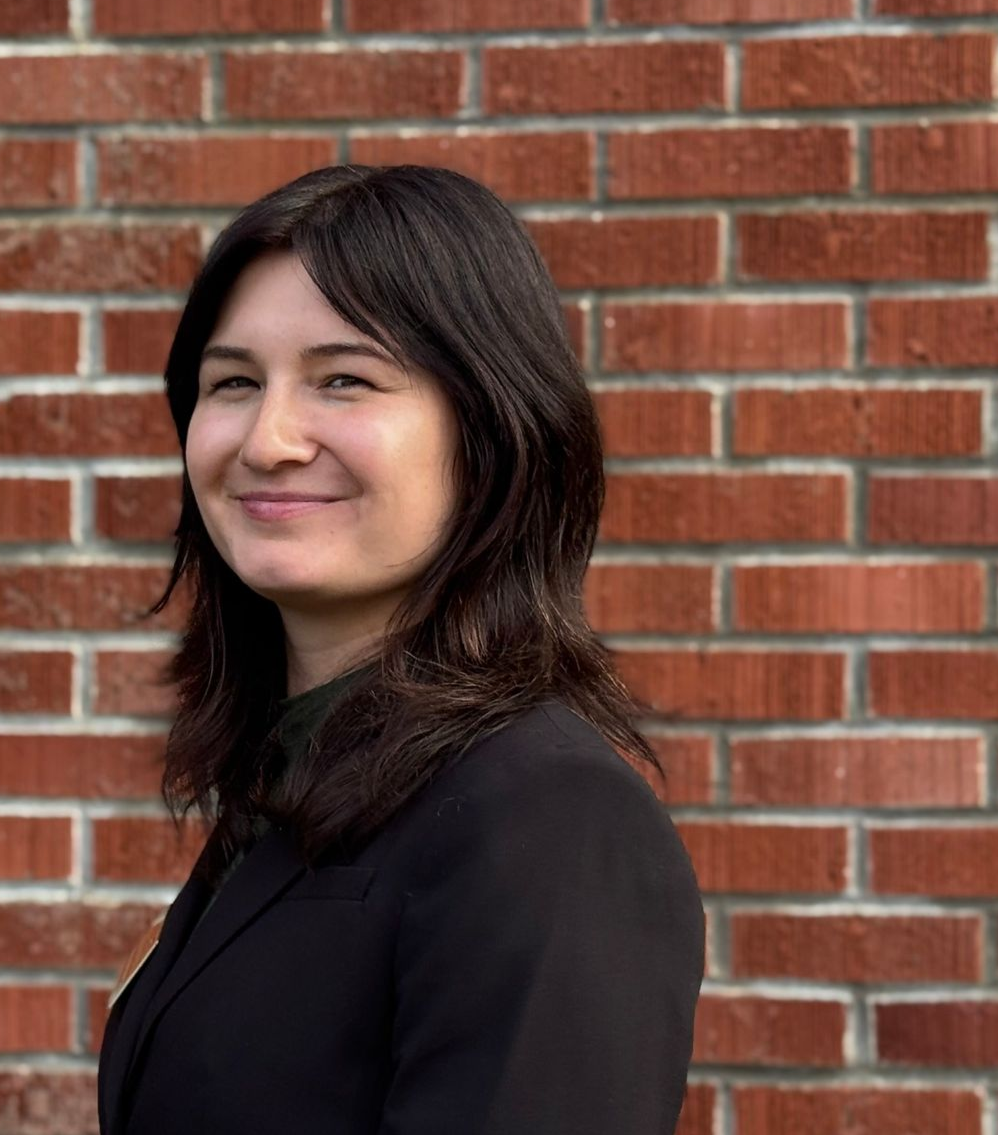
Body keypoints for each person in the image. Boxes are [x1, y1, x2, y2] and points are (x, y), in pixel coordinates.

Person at [97, 164, 705, 1135]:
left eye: (344, 379)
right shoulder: (291, 783)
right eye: (233, 382)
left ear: (491, 429)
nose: (268, 440)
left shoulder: (548, 822)